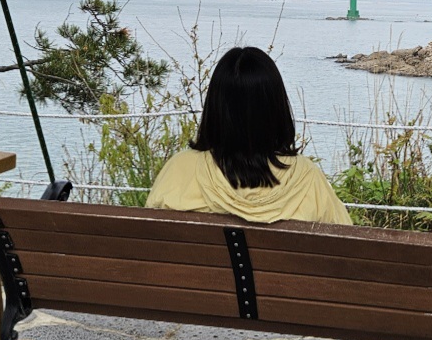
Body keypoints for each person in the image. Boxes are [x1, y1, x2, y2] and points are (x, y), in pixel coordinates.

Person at [146, 47, 352, 225]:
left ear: (215, 108)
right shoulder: (307, 178)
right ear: (277, 109)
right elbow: (346, 242)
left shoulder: (179, 170)